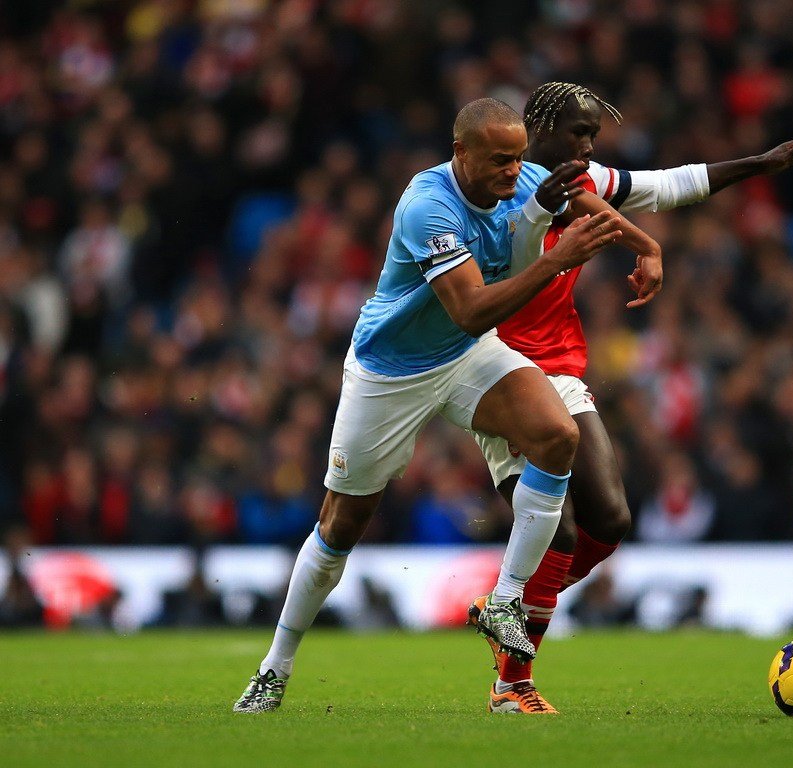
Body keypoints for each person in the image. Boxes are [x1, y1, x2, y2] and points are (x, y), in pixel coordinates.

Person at [233, 98, 634, 713]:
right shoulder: (427, 205)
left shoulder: (524, 178)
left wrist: (646, 247)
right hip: (391, 372)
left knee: (557, 435)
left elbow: (618, 195)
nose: (513, 172)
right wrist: (556, 259)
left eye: (518, 158)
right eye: (499, 160)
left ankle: (505, 601)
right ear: (460, 154)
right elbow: (469, 308)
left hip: (466, 355)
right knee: (340, 527)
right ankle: (274, 668)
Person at [469, 82, 793, 713]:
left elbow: (670, 185)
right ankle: (512, 684)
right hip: (497, 373)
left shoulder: (583, 182)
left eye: (593, 136)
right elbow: (520, 250)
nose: (589, 145)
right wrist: (637, 241)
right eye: (579, 133)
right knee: (559, 532)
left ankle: (507, 601)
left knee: (610, 520)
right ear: (540, 131)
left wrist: (761, 162)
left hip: (560, 370)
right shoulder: (495, 194)